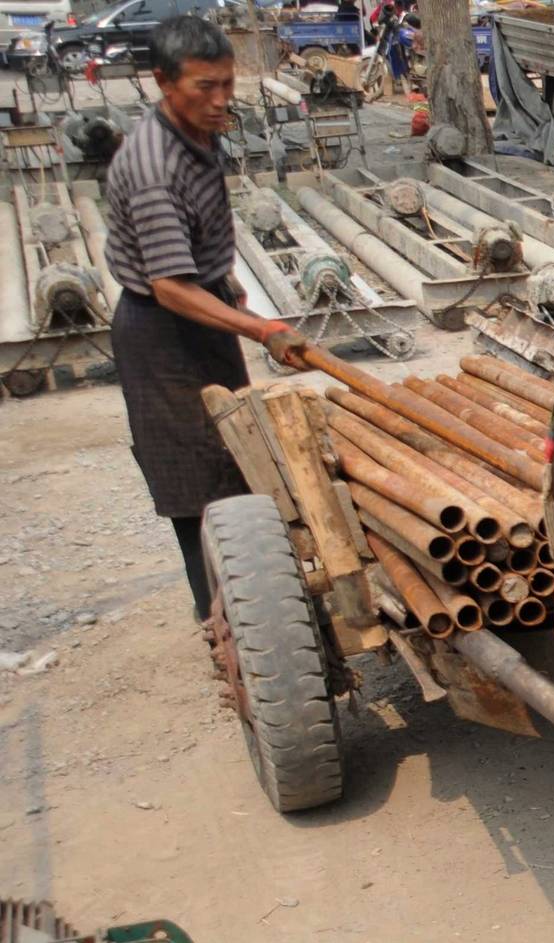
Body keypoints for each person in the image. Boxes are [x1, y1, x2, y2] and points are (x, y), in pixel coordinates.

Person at [102, 15, 306, 620]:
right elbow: (168, 286)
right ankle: (220, 620)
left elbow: (196, 247)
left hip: (204, 311)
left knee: (235, 458)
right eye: (204, 88)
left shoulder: (198, 131)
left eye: (227, 84)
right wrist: (263, 328)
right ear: (163, 82)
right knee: (195, 480)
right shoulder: (152, 168)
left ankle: (251, 596)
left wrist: (230, 285)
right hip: (162, 335)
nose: (221, 101)